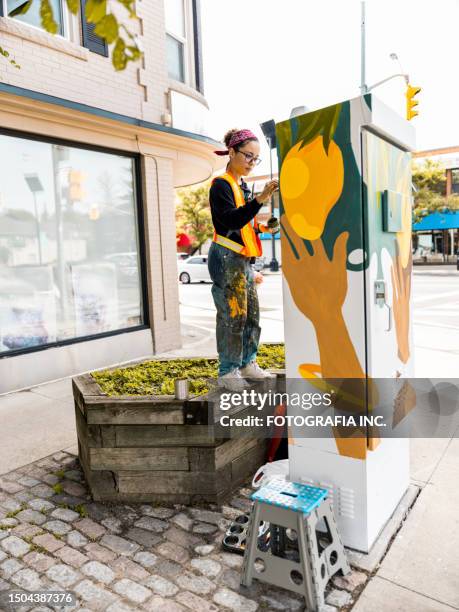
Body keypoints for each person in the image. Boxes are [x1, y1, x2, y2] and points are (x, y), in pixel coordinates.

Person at [208, 128, 279, 391]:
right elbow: (230, 220)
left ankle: (247, 362)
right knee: (233, 316)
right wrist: (260, 200)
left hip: (241, 259)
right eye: (248, 156)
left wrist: (263, 228)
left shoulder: (241, 186)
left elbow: (244, 225)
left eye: (255, 158)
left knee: (251, 316)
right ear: (231, 152)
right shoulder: (221, 184)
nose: (251, 162)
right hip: (226, 257)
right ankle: (228, 370)